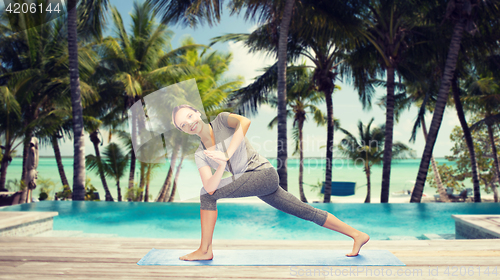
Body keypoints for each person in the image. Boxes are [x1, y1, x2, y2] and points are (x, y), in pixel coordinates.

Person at [171, 105, 370, 261]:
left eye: (189, 116)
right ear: (182, 131)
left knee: (206, 196)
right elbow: (210, 186)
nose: (189, 123)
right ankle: (357, 235)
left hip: (263, 174)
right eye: (182, 125)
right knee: (304, 211)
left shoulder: (222, 120)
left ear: (197, 113)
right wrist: (221, 165)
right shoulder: (200, 154)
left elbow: (245, 122)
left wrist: (226, 154)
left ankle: (205, 250)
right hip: (254, 182)